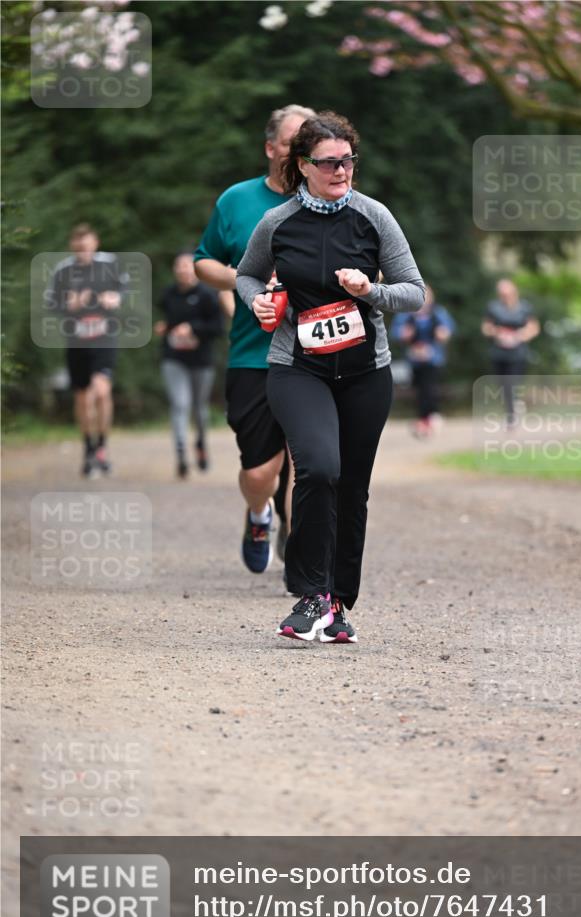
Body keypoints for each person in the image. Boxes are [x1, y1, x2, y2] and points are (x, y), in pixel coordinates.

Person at [237, 111, 425, 643]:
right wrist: (259, 302)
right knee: (319, 468)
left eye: (348, 161)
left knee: (352, 487)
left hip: (366, 372)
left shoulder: (374, 217)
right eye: (329, 163)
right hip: (298, 367)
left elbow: (414, 291)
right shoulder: (277, 223)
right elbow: (247, 275)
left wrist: (371, 291)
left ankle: (338, 604)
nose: (341, 171)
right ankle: (310, 594)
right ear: (302, 165)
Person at [194, 104, 315, 573]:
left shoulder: (332, 200)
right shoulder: (237, 200)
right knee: (261, 471)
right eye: (289, 143)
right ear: (270, 148)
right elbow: (204, 262)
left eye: (307, 143)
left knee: (307, 463)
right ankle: (259, 512)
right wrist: (245, 279)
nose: (299, 152)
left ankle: (300, 549)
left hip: (314, 353)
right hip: (253, 354)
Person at [48, 223, 124, 476]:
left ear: (95, 243)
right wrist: (69, 304)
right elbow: (52, 303)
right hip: (77, 341)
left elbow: (125, 290)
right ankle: (88, 447)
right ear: (73, 245)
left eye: (87, 242)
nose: (83, 248)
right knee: (83, 397)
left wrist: (114, 298)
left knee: (101, 391)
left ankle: (102, 446)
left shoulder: (110, 264)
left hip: (104, 338)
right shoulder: (63, 270)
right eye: (78, 244)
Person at [154, 252, 223, 478]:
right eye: (179, 266)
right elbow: (167, 320)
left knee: (199, 408)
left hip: (201, 361)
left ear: (195, 270)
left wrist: (192, 329)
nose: (183, 270)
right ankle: (181, 455)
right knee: (180, 404)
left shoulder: (207, 295)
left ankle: (201, 444)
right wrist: (164, 327)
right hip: (174, 358)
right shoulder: (168, 294)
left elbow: (218, 328)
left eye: (187, 266)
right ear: (175, 270)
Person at [391, 284, 455, 438]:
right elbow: (395, 332)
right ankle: (426, 417)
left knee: (429, 387)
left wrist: (442, 334)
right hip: (414, 359)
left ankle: (428, 417)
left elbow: (448, 330)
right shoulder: (406, 314)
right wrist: (404, 335)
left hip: (433, 358)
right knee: (420, 389)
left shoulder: (438, 313)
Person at [481, 278, 540, 429]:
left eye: (507, 293)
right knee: (502, 385)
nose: (505, 296)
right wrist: (497, 333)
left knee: (511, 383)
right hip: (499, 353)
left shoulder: (525, 308)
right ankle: (513, 407)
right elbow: (486, 328)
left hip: (518, 353)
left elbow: (534, 327)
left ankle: (511, 415)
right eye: (502, 294)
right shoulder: (493, 308)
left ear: (514, 292)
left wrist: (520, 335)